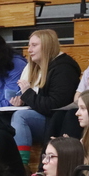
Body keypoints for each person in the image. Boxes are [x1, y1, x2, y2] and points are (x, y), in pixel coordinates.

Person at [10, 29, 82, 166]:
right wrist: (22, 99)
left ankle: (21, 165)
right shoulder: (36, 67)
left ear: (47, 46)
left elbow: (54, 105)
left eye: (34, 45)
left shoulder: (64, 69)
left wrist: (27, 93)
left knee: (21, 116)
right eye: (29, 45)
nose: (29, 50)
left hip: (57, 119)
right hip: (46, 116)